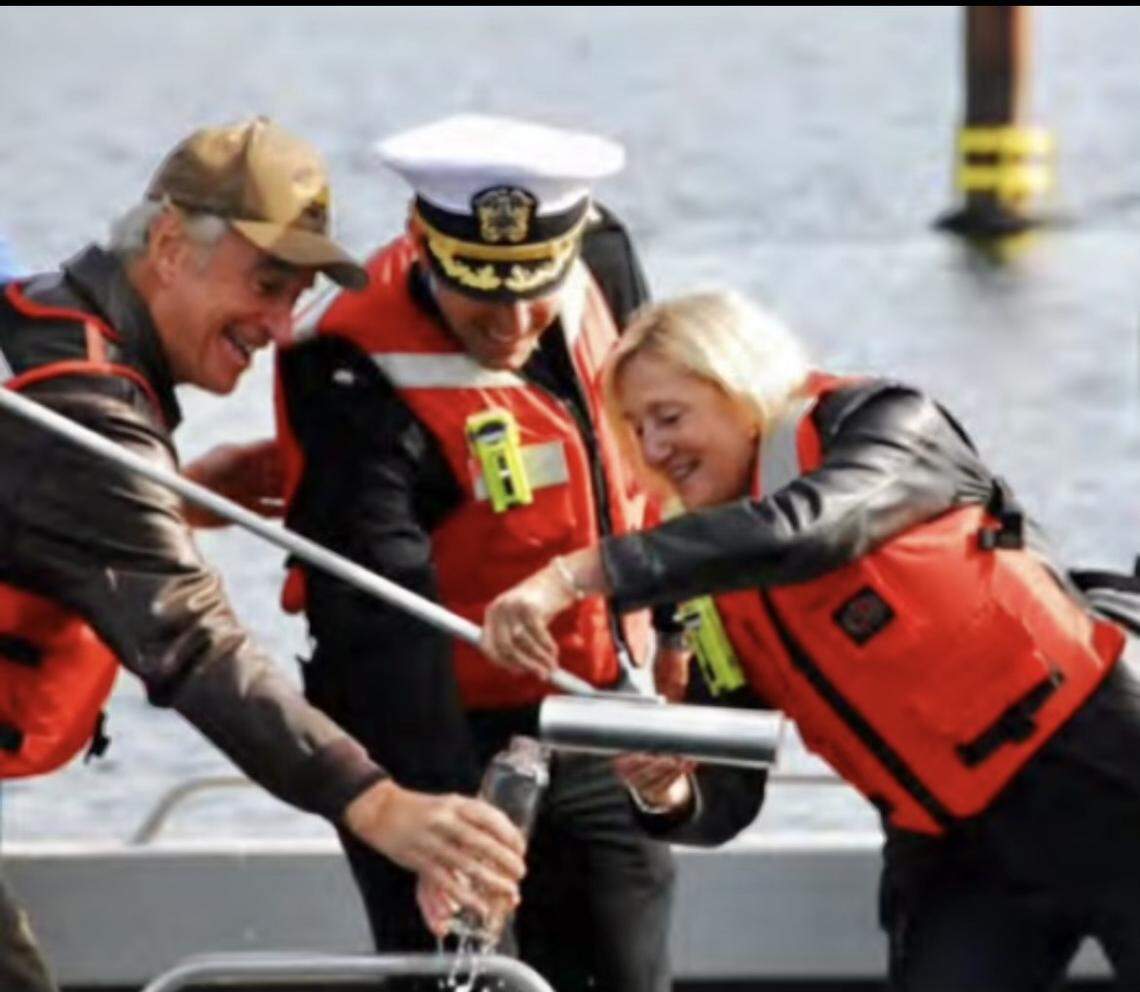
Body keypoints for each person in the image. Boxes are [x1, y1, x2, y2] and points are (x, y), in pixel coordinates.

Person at [480, 289, 1140, 990]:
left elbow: (812, 529)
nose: (654, 448)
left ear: (740, 389)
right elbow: (727, 799)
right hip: (953, 844)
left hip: (1100, 767)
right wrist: (670, 791)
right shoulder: (713, 582)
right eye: (636, 431)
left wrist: (578, 574)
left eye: (669, 417)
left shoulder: (885, 426)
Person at [0, 117, 526, 992]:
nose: (282, 326)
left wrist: (189, 498)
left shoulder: (44, 321)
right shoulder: (80, 415)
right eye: (267, 282)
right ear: (170, 246)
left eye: (298, 296)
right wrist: (379, 804)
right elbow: (195, 644)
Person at [275, 114, 677, 992]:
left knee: (628, 969)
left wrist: (680, 648)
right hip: (430, 718)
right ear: (424, 243)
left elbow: (664, 464)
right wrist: (444, 831)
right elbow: (379, 615)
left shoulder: (604, 264)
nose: (514, 319)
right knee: (465, 975)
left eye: (538, 286)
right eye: (482, 293)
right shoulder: (345, 361)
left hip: (598, 705)